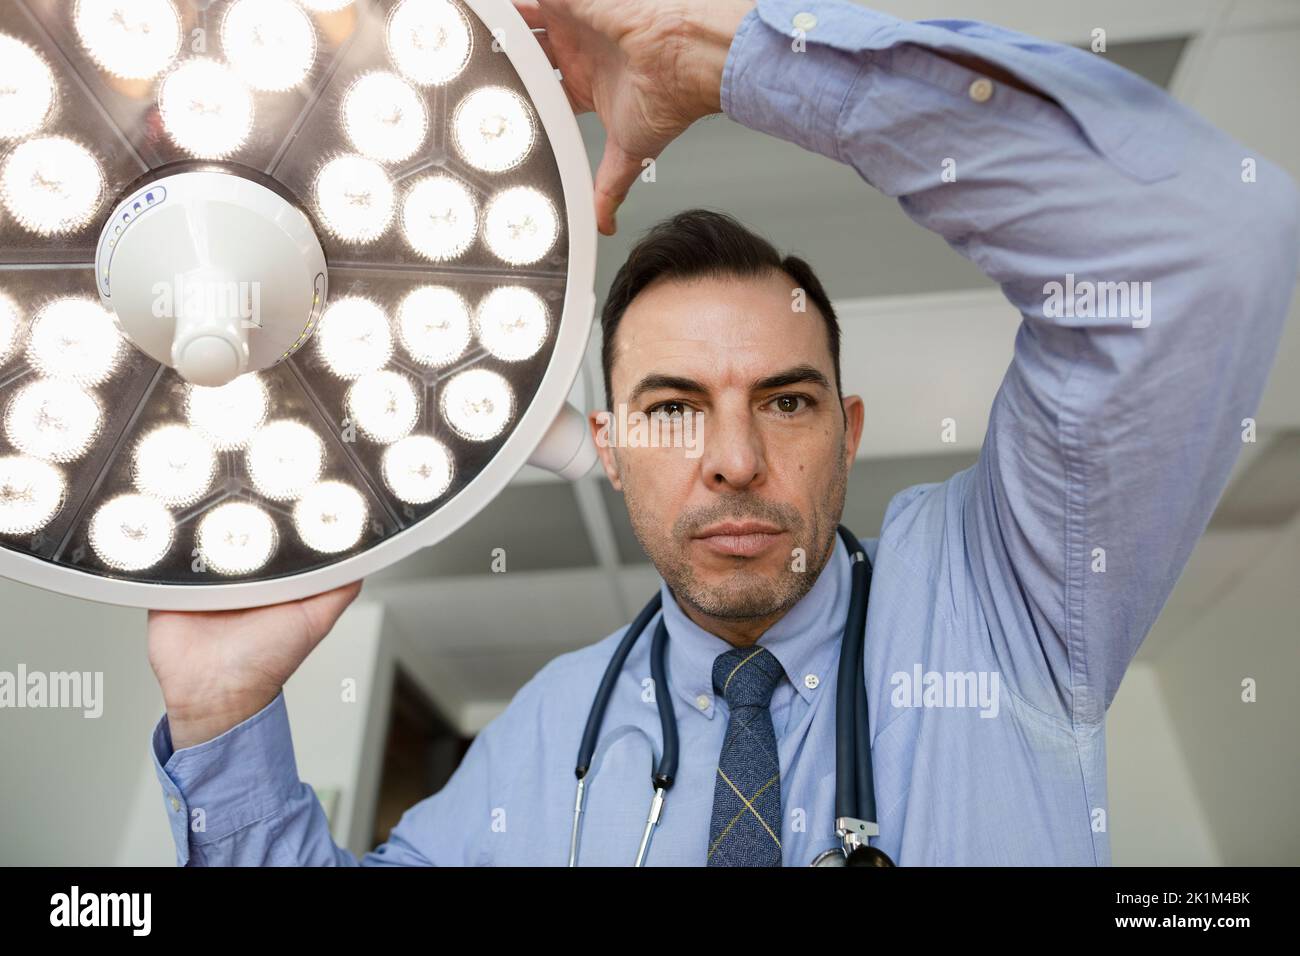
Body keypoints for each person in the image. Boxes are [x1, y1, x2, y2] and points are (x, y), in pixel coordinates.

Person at [145, 0, 1299, 865]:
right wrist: (223, 719)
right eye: (671, 409)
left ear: (846, 432)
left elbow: (1201, 237)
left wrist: (722, 58)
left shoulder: (1004, 606)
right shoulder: (550, 736)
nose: (736, 459)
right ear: (604, 443)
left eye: (786, 401)